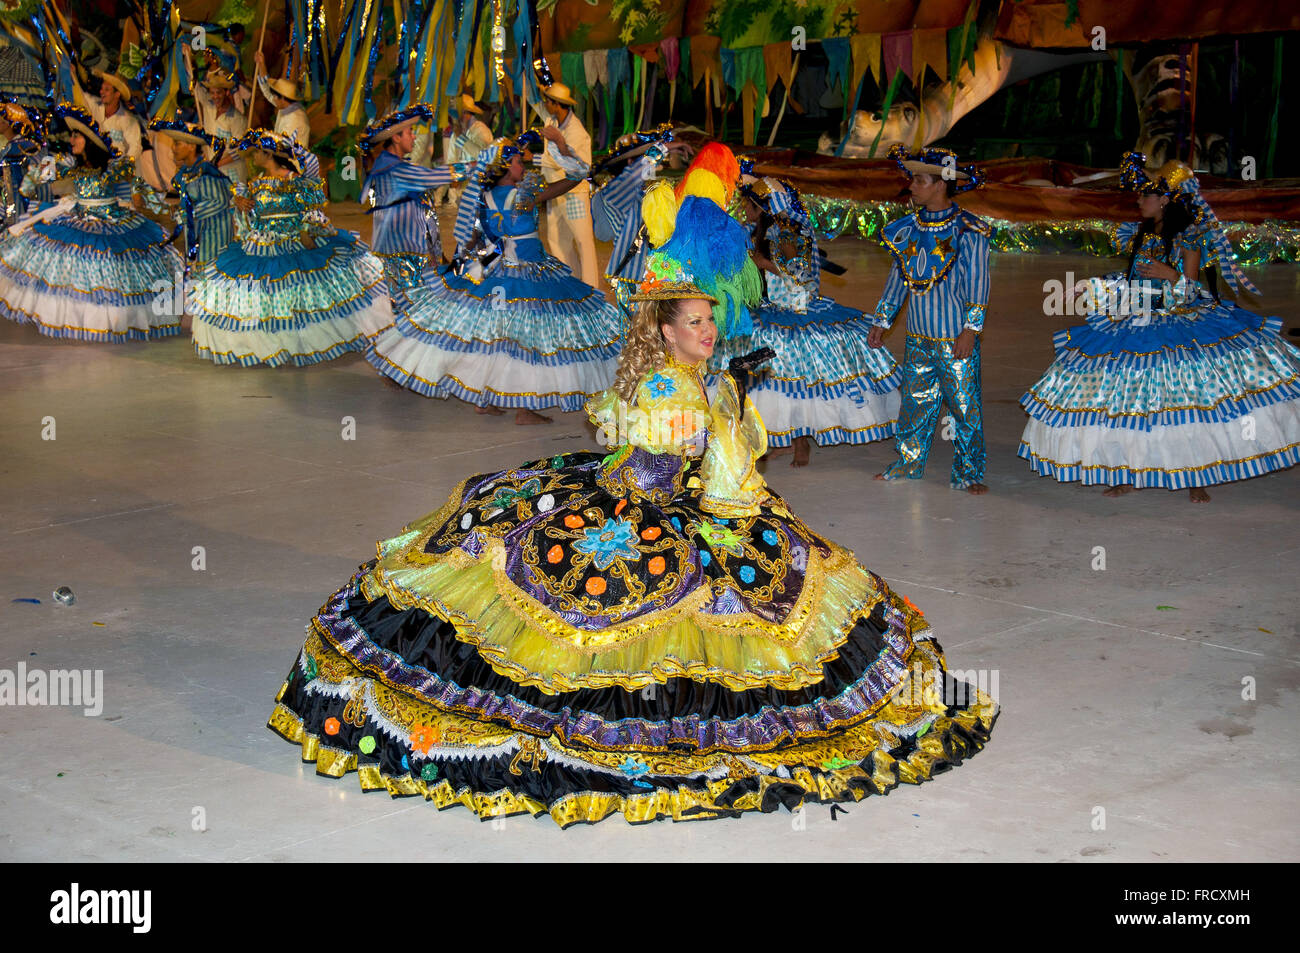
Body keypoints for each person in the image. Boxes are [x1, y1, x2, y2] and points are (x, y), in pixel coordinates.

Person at [265, 209, 998, 826]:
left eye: (712, 320)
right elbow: (725, 484)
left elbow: (641, 442)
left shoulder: (666, 376)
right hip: (656, 510)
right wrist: (730, 405)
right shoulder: (679, 389)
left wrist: (723, 392)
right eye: (698, 322)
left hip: (628, 490)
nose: (710, 331)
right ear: (668, 329)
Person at [1018, 153, 1300, 501]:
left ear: (1165, 200)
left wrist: (1172, 276)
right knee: (1126, 402)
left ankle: (1196, 473)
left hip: (1180, 324)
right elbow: (1130, 281)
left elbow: (1194, 292)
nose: (1138, 201)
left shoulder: (1188, 239)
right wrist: (1089, 286)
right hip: (1136, 319)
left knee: (1189, 402)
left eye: (1145, 196)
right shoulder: (1139, 235)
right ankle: (1127, 469)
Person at [368, 136, 621, 425]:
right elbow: (577, 177)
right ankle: (525, 409)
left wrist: (471, 267)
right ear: (504, 168)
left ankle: (483, 400)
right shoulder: (524, 195)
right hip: (529, 272)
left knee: (494, 337)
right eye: (516, 162)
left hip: (493, 268)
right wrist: (564, 150)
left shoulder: (484, 199)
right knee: (529, 340)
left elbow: (478, 240)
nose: (522, 165)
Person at [718, 171, 901, 467]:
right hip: (772, 307)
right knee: (771, 380)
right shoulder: (767, 231)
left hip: (795, 311)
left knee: (795, 378)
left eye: (749, 206)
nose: (745, 212)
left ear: (763, 208)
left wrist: (763, 262)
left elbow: (801, 276)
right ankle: (779, 437)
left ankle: (800, 441)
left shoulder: (789, 231)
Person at [188, 129, 390, 365]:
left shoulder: (295, 180)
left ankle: (296, 341)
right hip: (259, 247)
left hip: (291, 244)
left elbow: (310, 207)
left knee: (293, 293)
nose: (253, 158)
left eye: (257, 153)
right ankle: (264, 344)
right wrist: (242, 206)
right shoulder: (254, 184)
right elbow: (250, 221)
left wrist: (287, 145)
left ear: (269, 154)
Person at [0, 104, 182, 341]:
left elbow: (139, 185)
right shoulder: (70, 165)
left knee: (110, 267)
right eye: (72, 135)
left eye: (77, 136)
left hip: (112, 220)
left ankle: (112, 319)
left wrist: (155, 204)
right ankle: (81, 318)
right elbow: (36, 176)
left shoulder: (111, 167)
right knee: (68, 264)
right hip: (79, 216)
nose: (72, 139)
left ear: (89, 141)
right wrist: (31, 182)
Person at [867, 145, 991, 494]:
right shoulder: (906, 229)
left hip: (955, 338)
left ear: (941, 185)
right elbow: (897, 280)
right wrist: (882, 320)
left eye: (920, 180)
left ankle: (969, 471)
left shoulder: (969, 231)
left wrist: (971, 329)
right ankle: (909, 462)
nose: (912, 187)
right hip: (918, 336)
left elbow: (978, 285)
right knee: (915, 404)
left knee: (965, 408)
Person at [358, 104, 461, 292]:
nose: (414, 137)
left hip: (401, 256)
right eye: (410, 132)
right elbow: (432, 177)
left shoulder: (389, 165)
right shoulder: (396, 170)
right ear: (396, 138)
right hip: (402, 261)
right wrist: (475, 166)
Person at [148, 118, 235, 271]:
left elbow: (219, 201)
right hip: (199, 235)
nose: (173, 148)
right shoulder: (186, 172)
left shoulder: (205, 171)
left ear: (191, 147)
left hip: (213, 236)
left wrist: (188, 211)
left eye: (177, 144)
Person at [539, 82, 598, 286]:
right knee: (556, 238)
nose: (545, 104)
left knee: (583, 241)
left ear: (557, 104)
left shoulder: (576, 132)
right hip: (555, 191)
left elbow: (564, 162)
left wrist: (536, 159)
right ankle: (570, 283)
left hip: (573, 192)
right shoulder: (552, 121)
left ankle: (591, 287)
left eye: (548, 101)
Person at [185, 46, 250, 186]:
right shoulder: (208, 107)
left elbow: (239, 150)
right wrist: (188, 57)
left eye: (218, 93)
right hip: (214, 172)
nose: (215, 97)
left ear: (226, 93)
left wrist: (216, 164)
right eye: (212, 93)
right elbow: (194, 84)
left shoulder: (238, 119)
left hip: (233, 175)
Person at [253, 51, 318, 179]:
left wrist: (263, 136)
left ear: (282, 98)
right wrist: (261, 65)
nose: (273, 99)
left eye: (276, 97)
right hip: (281, 162)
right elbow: (268, 92)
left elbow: (284, 146)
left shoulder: (296, 119)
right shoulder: (286, 106)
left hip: (292, 168)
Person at [440, 93, 492, 210]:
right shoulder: (457, 132)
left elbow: (484, 158)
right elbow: (451, 163)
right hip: (458, 197)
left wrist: (461, 138)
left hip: (478, 194)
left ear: (464, 113)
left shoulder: (480, 130)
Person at [81, 70, 144, 161]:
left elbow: (135, 147)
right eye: (102, 88)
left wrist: (123, 166)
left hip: (115, 167)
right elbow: (80, 95)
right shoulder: (95, 105)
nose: (102, 92)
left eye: (106, 89)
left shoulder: (128, 120)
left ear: (117, 94)